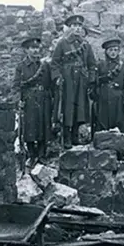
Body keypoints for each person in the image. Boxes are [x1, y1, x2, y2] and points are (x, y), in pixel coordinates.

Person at [51, 14, 98, 149]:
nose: (77, 28)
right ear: (69, 27)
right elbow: (55, 63)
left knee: (80, 108)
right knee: (67, 107)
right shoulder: (62, 43)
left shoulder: (86, 45)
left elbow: (91, 64)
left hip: (81, 79)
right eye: (74, 26)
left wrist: (91, 79)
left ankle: (75, 136)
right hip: (67, 79)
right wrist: (58, 77)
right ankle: (66, 136)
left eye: (79, 26)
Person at [12, 37, 54, 166]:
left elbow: (50, 83)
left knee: (43, 125)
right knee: (30, 127)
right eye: (32, 48)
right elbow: (16, 86)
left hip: (43, 99)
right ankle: (32, 154)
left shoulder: (45, 65)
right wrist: (18, 100)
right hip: (29, 99)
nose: (36, 51)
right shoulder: (21, 67)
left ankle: (42, 154)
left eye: (37, 48)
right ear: (26, 50)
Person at [92, 37, 124, 137]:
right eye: (110, 50)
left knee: (120, 128)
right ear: (106, 51)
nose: (113, 52)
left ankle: (121, 151)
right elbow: (94, 82)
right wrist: (97, 94)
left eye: (116, 50)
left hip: (119, 101)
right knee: (102, 126)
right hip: (103, 100)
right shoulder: (100, 65)